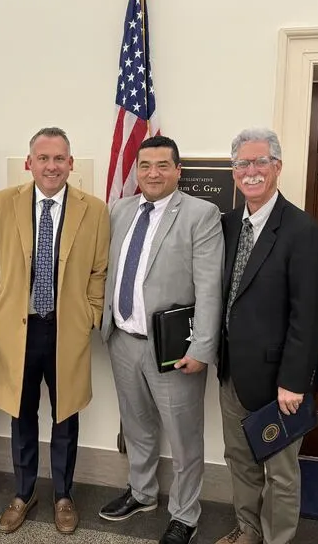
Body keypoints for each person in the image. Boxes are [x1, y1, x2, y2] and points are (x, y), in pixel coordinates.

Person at [0, 127, 109, 535]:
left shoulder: (95, 210)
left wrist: (89, 314)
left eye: (59, 159)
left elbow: (99, 271)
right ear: (30, 162)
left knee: (65, 415)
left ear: (70, 163)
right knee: (22, 414)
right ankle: (24, 491)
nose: (51, 166)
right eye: (43, 158)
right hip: (18, 330)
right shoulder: (2, 203)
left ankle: (63, 495)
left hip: (67, 331)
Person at [98, 135, 224, 544]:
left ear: (178, 170)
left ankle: (185, 515)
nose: (153, 173)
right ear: (136, 170)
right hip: (123, 340)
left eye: (162, 166)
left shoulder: (200, 214)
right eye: (145, 166)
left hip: (173, 349)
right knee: (137, 427)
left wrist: (201, 347)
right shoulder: (119, 210)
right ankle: (142, 492)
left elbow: (209, 288)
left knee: (185, 436)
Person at [214, 128, 318, 544]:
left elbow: (310, 314)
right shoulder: (226, 225)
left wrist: (294, 380)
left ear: (277, 167)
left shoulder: (302, 230)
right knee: (239, 460)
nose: (251, 171)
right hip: (232, 375)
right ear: (234, 172)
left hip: (279, 382)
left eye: (261, 161)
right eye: (243, 163)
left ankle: (277, 539)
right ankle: (247, 531)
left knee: (280, 472)